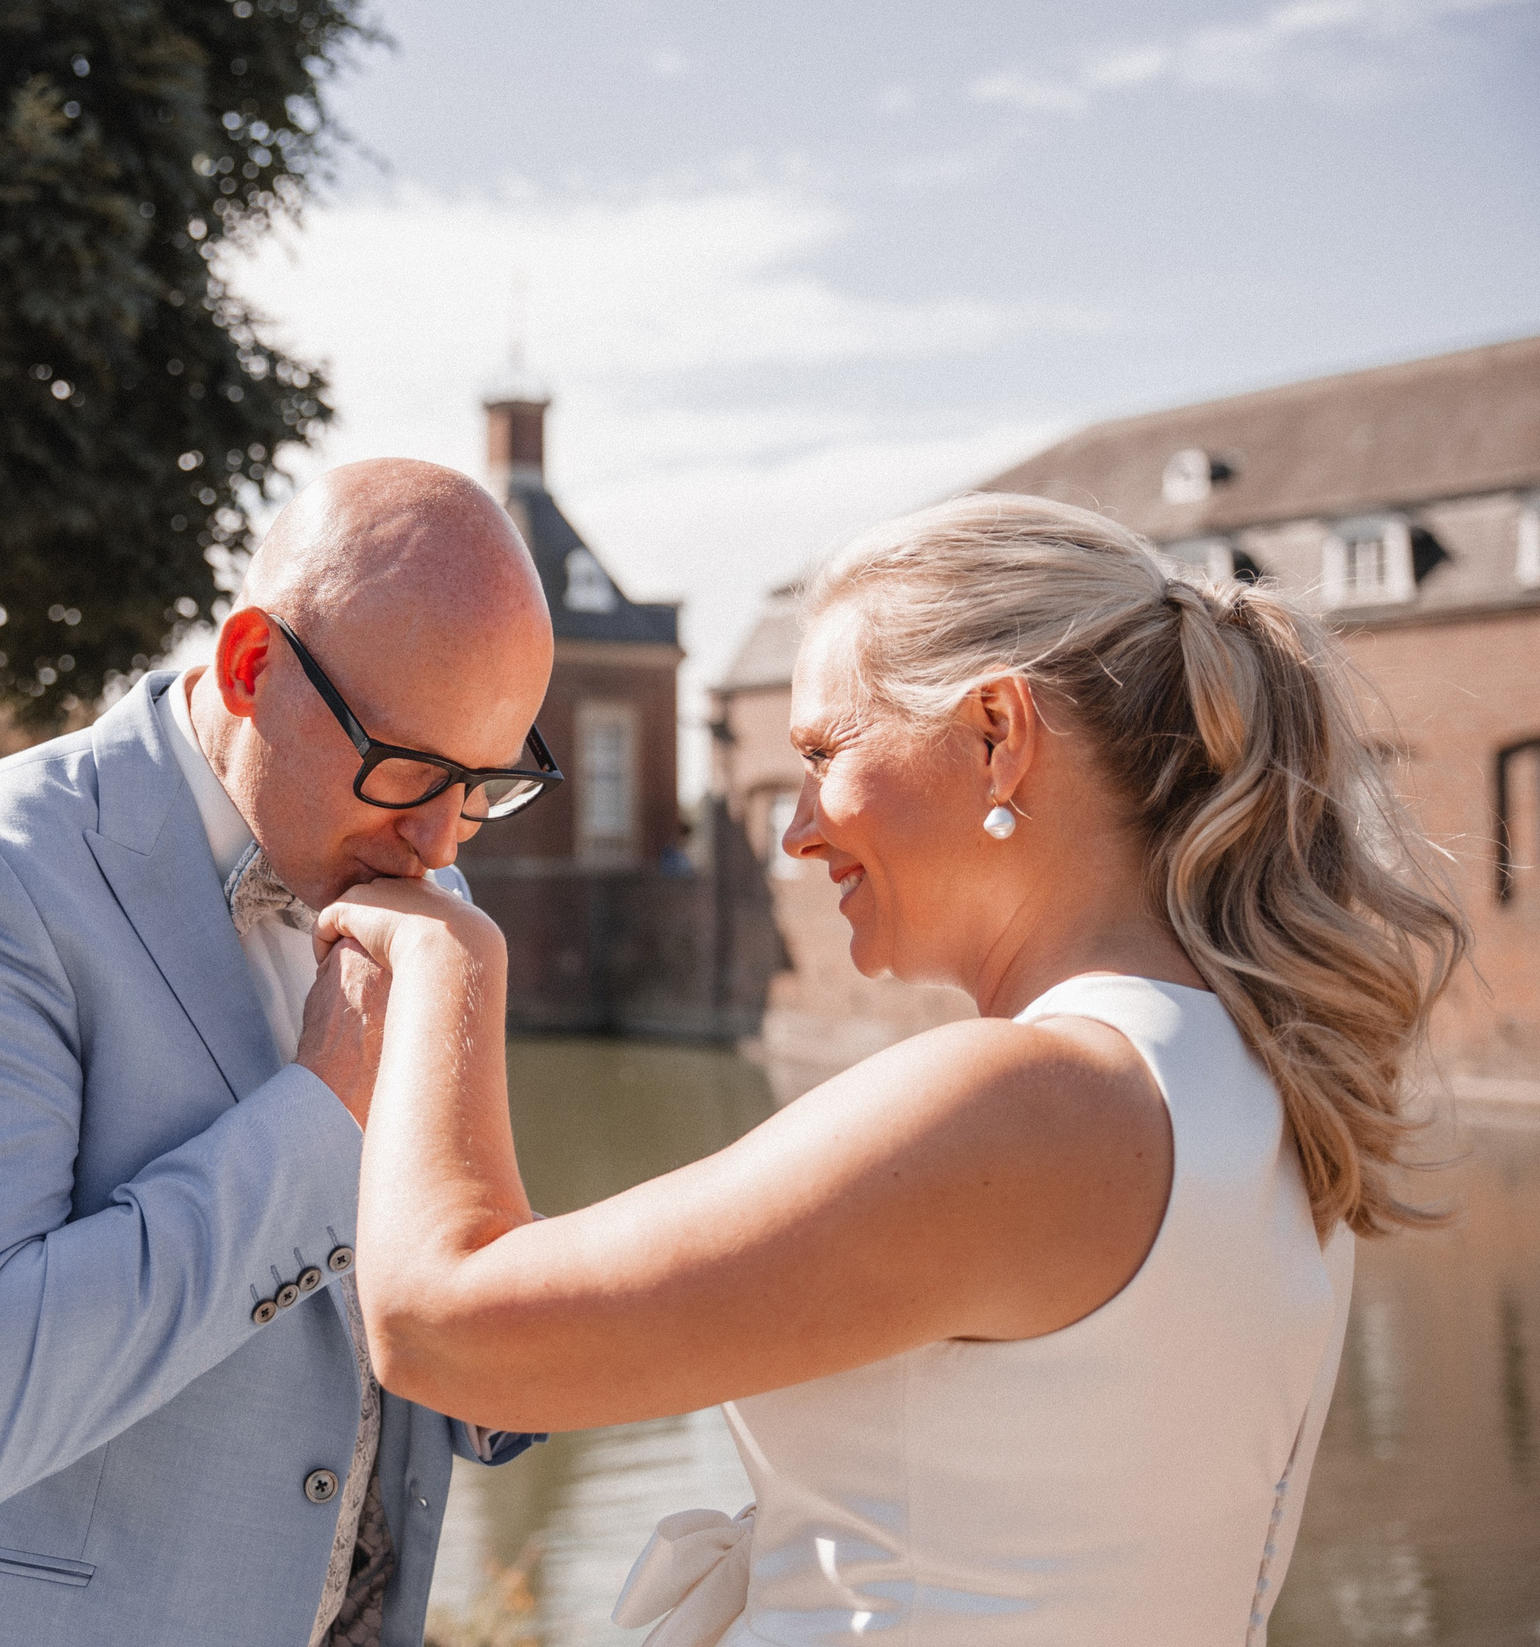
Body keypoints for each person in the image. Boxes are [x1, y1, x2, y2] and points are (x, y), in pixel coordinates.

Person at [321, 493, 1468, 1646]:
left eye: (824, 752)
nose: (796, 830)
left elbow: (445, 1330)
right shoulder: (1260, 1079)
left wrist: (443, 964)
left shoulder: (1027, 1104)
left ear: (995, 735)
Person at [0, 460, 554, 1647]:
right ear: (253, 667)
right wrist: (328, 1104)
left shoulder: (420, 882)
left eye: (486, 784)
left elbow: (458, 1340)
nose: (441, 836)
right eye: (408, 768)